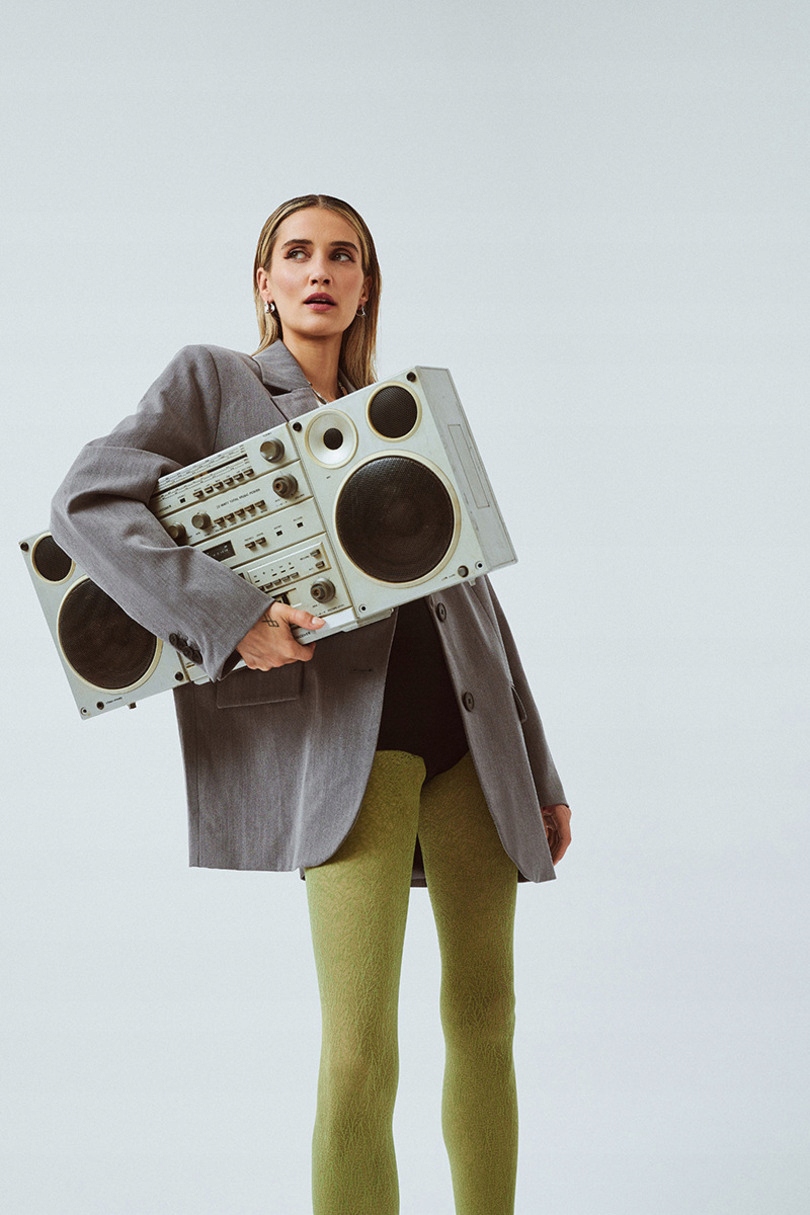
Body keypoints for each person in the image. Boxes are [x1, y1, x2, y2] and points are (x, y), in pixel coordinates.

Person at [51, 194, 571, 1215]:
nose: (319, 270)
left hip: (474, 745)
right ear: (265, 281)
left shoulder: (398, 409)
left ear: (366, 285)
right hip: (347, 750)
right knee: (357, 1052)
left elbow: (477, 599)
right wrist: (231, 616)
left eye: (342, 255)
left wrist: (539, 771)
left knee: (488, 1022)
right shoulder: (215, 381)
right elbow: (87, 501)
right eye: (297, 253)